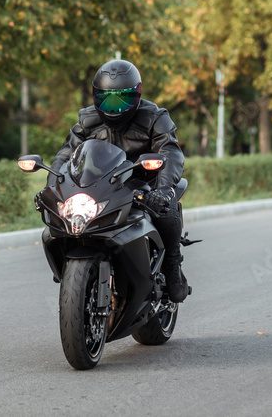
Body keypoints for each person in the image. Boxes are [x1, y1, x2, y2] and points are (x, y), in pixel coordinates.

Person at [50, 59, 190, 303]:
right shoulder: (86, 120)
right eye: (107, 99)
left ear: (137, 95)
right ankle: (71, 271)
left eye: (122, 99)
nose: (114, 107)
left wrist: (164, 189)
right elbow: (66, 155)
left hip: (146, 184)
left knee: (166, 211)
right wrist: (53, 185)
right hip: (103, 184)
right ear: (96, 96)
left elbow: (171, 152)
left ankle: (172, 265)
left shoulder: (155, 117)